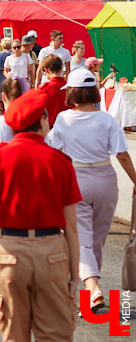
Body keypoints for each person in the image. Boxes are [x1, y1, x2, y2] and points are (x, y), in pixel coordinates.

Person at [0, 89, 82, 340]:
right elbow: (72, 226)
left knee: (13, 334)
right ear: (43, 120)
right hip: (51, 252)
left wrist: (3, 214)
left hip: (9, 251)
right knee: (55, 334)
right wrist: (75, 278)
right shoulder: (60, 162)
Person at [47, 67, 136, 314]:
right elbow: (122, 154)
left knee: (80, 239)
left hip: (76, 178)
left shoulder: (64, 119)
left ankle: (93, 288)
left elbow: (52, 150)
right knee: (97, 239)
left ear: (72, 93)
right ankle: (90, 292)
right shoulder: (106, 119)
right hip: (105, 178)